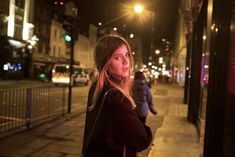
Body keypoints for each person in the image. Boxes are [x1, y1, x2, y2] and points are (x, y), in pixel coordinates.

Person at [82, 34, 152, 157]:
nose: (126, 62)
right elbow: (142, 140)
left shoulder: (97, 87)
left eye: (127, 55)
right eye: (117, 57)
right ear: (106, 63)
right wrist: (146, 131)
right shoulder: (116, 98)